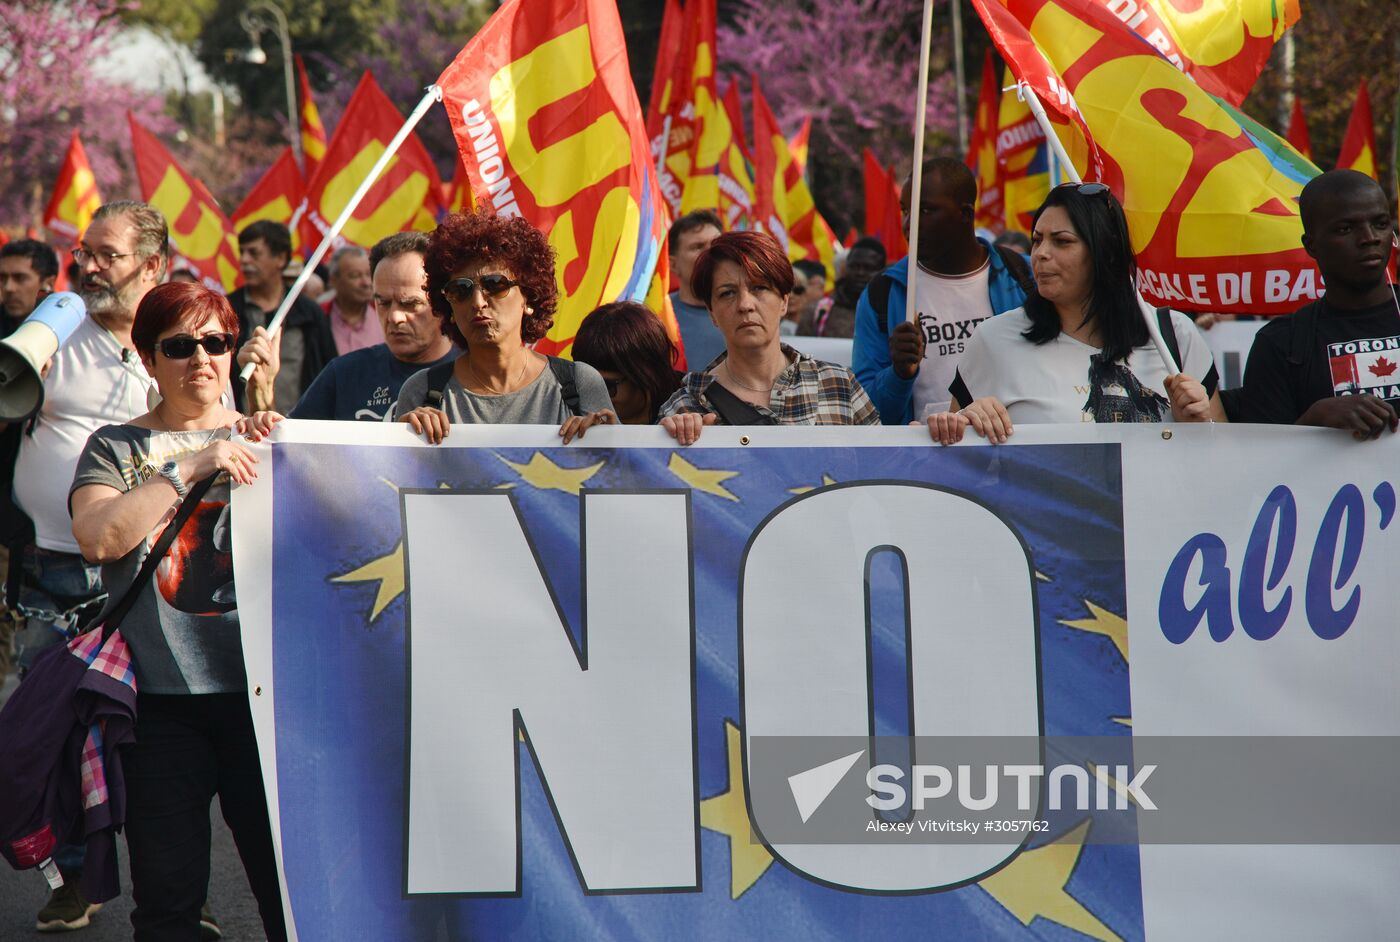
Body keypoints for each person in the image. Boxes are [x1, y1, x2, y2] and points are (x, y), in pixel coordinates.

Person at [69, 281, 284, 942]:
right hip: (159, 710)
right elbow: (100, 537)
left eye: (216, 342)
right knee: (168, 903)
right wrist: (189, 469)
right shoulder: (114, 447)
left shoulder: (272, 438)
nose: (202, 359)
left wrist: (276, 428)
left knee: (293, 895)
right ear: (148, 358)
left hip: (264, 707)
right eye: (181, 345)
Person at [926, 182, 1219, 444]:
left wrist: (1198, 426)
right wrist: (967, 422)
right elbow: (958, 466)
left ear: (1106, 252)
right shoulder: (994, 340)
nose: (1040, 253)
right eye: (1037, 239)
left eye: (1061, 241)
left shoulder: (1174, 335)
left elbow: (1227, 462)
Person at [396, 210, 615, 444]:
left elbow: (625, 475)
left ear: (528, 298)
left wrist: (609, 442)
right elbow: (394, 478)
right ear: (448, 308)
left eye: (495, 285)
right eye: (460, 290)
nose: (478, 302)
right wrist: (403, 440)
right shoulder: (422, 390)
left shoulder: (579, 383)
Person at [853, 157, 1034, 425]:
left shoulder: (1024, 276)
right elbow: (863, 413)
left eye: (925, 211)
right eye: (905, 211)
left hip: (1015, 454)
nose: (909, 224)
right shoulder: (882, 294)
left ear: (965, 214)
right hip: (927, 463)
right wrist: (899, 374)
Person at [658, 230, 879, 444]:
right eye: (727, 293)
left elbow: (887, 468)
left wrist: (911, 444)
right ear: (712, 313)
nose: (745, 305)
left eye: (759, 288)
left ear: (784, 301)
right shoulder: (687, 407)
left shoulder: (837, 384)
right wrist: (685, 445)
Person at [1240, 169, 1398, 440]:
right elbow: (1260, 466)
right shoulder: (1280, 343)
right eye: (1345, 229)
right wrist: (1314, 421)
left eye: (1381, 224)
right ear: (1311, 244)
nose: (1369, 237)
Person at [239, 232, 458, 421]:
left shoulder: (478, 373)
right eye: (382, 302)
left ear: (442, 300)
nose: (395, 317)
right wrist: (262, 394)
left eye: (410, 304)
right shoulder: (344, 374)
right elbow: (287, 457)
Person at [229, 220, 336, 411]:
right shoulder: (227, 310)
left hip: (298, 430)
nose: (244, 260)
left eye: (254, 253)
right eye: (242, 252)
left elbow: (329, 372)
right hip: (240, 429)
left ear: (280, 258)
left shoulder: (310, 313)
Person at [572, 302, 684, 425]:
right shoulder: (565, 411)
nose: (593, 395)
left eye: (607, 386)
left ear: (648, 375)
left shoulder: (695, 408)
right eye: (582, 383)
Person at [667, 209, 726, 368]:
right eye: (698, 247)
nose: (710, 253)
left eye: (716, 244)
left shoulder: (747, 310)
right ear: (673, 264)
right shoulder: (657, 318)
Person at [800, 237, 885, 339]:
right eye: (854, 266)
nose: (860, 273)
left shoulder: (891, 313)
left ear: (882, 271)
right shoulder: (819, 311)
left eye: (868, 268)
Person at [322, 246, 383, 354]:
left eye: (369, 274)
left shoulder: (385, 315)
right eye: (355, 276)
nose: (366, 283)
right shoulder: (319, 317)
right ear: (334, 280)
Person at [0, 239, 59, 338]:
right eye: (2, 278)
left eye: (20, 278)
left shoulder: (69, 333)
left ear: (48, 283)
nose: (8, 288)